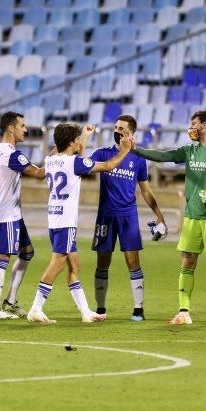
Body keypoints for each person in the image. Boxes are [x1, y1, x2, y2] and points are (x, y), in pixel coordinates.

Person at [130, 110, 206, 325]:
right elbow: (163, 156)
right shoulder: (189, 150)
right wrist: (135, 149)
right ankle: (184, 313)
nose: (191, 127)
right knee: (187, 262)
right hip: (192, 215)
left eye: (193, 123)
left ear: (204, 125)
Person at [28, 123, 133, 324]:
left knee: (74, 266)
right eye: (76, 140)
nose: (79, 142)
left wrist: (83, 136)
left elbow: (74, 153)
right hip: (66, 220)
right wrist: (126, 149)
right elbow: (108, 166)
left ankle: (86, 312)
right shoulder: (74, 163)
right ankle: (36, 308)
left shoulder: (51, 160)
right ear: (70, 142)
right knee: (58, 262)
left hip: (55, 217)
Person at [90, 115, 166, 322]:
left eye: (121, 128)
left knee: (133, 262)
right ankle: (100, 309)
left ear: (130, 133)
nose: (116, 130)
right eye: (115, 127)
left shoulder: (138, 158)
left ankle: (138, 310)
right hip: (105, 216)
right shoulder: (103, 154)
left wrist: (159, 215)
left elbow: (146, 190)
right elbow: (82, 164)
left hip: (128, 216)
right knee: (102, 262)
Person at [0, 111, 46, 319]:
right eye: (22, 126)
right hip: (7, 213)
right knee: (3, 256)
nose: (25, 129)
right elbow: (39, 174)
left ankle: (10, 300)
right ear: (11, 128)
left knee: (27, 252)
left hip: (9, 212)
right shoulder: (13, 154)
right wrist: (59, 157)